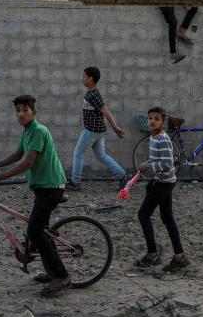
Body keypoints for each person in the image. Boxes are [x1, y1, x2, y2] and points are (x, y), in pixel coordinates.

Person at [0, 95, 72, 296]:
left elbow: (27, 162)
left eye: (25, 110)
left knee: (35, 231)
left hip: (51, 187)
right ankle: (52, 271)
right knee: (40, 230)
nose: (21, 114)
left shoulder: (39, 131)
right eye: (18, 110)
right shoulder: (27, 132)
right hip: (42, 187)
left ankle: (62, 276)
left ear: (34, 112)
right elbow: (17, 155)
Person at [135, 106, 189, 271]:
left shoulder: (163, 139)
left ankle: (152, 254)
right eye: (150, 118)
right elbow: (157, 159)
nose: (152, 121)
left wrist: (149, 167)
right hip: (164, 181)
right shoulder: (153, 137)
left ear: (163, 123)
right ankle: (179, 256)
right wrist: (149, 163)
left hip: (163, 183)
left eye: (156, 119)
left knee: (143, 214)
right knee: (167, 218)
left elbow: (167, 163)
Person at [68, 66, 127, 191]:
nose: (82, 78)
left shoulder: (93, 95)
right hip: (98, 131)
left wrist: (115, 127)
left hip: (91, 131)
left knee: (78, 153)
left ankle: (75, 182)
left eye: (84, 76)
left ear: (90, 78)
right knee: (101, 155)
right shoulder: (92, 93)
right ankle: (122, 175)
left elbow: (106, 111)